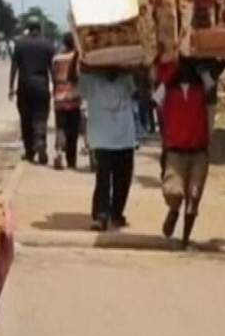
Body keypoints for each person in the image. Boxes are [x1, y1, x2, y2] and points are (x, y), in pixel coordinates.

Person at [156, 57, 215, 249]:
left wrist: (204, 72)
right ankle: (173, 211)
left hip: (199, 151)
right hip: (175, 151)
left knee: (194, 196)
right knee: (173, 192)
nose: (186, 71)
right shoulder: (169, 91)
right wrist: (171, 74)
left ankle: (185, 240)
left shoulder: (202, 89)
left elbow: (212, 91)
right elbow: (155, 99)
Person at [79, 64, 138, 231]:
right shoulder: (91, 81)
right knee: (103, 180)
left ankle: (116, 213)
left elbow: (140, 85)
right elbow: (73, 78)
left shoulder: (126, 79)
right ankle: (101, 215)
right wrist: (79, 58)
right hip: (102, 140)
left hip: (124, 139)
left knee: (123, 180)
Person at [9, 18, 55, 164]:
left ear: (28, 28)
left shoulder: (20, 44)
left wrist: (11, 87)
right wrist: (56, 86)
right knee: (40, 117)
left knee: (25, 119)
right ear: (40, 27)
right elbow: (52, 68)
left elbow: (14, 67)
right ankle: (40, 141)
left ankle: (29, 152)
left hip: (24, 86)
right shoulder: (48, 44)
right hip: (41, 86)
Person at [52, 33, 82, 170]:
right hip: (74, 98)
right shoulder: (78, 57)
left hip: (59, 98)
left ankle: (59, 153)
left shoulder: (57, 58)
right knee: (73, 131)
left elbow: (53, 76)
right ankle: (71, 160)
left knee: (61, 128)